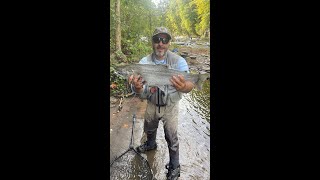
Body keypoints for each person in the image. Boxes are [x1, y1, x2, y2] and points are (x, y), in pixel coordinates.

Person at [130, 27, 194, 180]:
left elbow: (190, 84)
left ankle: (174, 166)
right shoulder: (144, 63)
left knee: (172, 138)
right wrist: (136, 87)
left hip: (171, 107)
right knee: (149, 129)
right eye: (157, 39)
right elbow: (138, 90)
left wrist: (184, 86)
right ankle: (150, 144)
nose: (160, 43)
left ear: (169, 42)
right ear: (152, 42)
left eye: (164, 40)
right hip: (152, 104)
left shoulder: (179, 61)